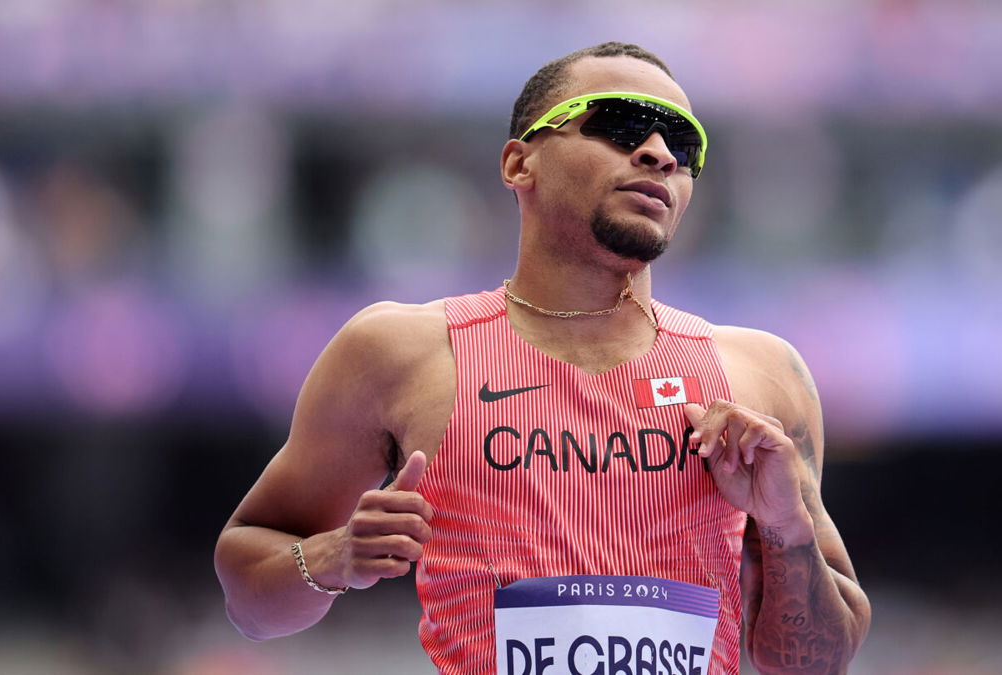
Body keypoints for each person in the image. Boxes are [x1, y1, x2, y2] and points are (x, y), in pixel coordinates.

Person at [215, 42, 871, 674]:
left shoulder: (760, 375)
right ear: (518, 164)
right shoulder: (400, 353)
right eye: (621, 125)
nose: (658, 154)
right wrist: (334, 557)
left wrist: (786, 530)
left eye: (684, 144)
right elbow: (248, 596)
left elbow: (815, 664)